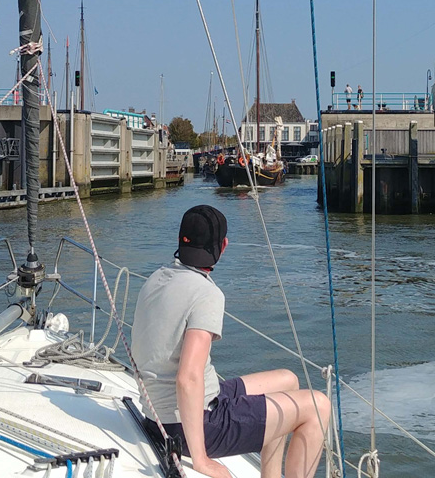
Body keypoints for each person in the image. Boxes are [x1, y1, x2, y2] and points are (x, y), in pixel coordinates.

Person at [130, 205, 331, 478]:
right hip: (191, 425)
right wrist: (201, 459)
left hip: (158, 415)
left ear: (181, 240)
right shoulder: (205, 293)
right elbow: (187, 378)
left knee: (288, 380)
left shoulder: (155, 278)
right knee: (318, 406)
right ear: (223, 246)